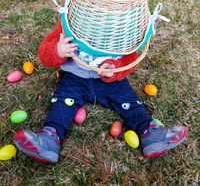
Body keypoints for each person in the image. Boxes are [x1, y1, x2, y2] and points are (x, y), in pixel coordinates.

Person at [13, 20, 188, 163]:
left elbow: (130, 58)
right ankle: (50, 138)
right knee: (63, 101)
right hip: (74, 77)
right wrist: (57, 50)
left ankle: (150, 133)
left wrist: (115, 68)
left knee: (128, 99)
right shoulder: (69, 23)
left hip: (109, 80)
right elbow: (45, 52)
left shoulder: (123, 28)